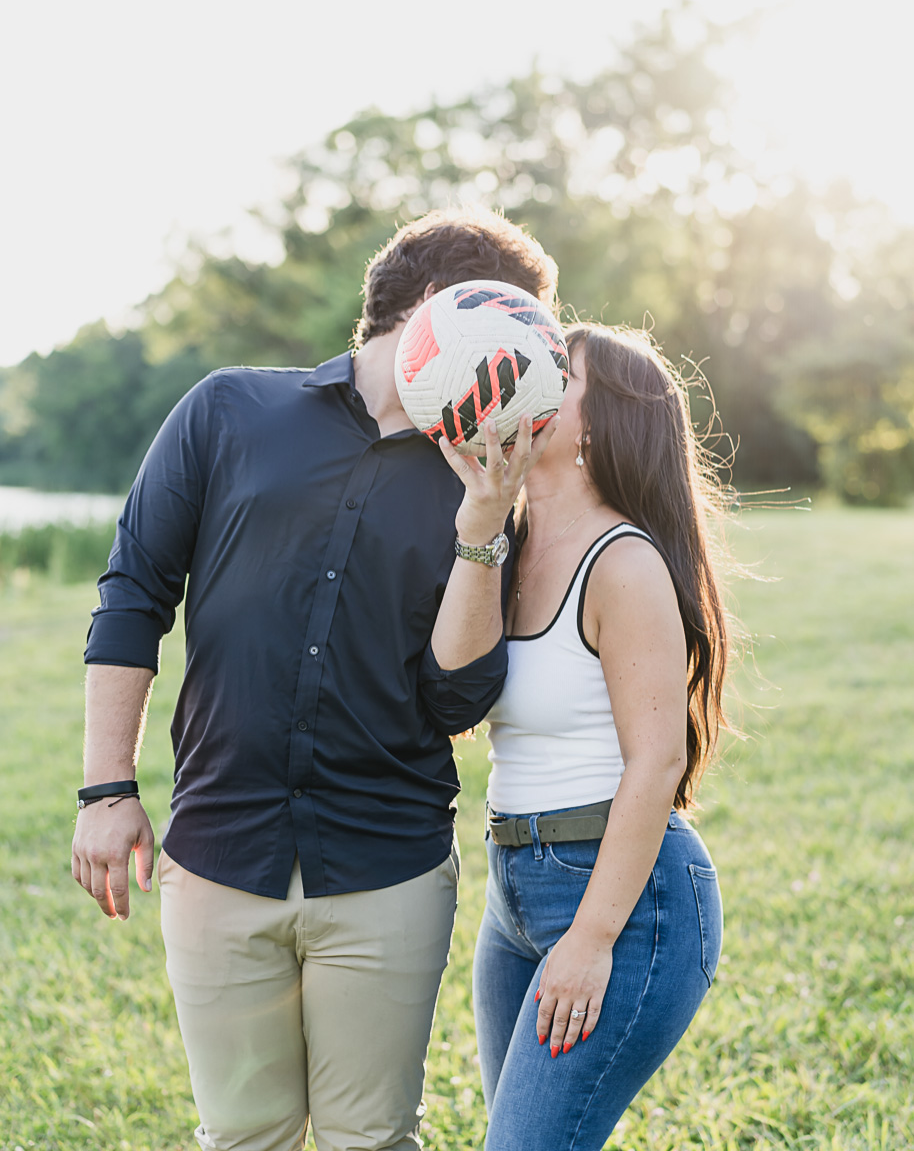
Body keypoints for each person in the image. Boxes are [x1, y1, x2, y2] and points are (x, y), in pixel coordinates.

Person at [71, 208, 559, 1151]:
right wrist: (106, 789)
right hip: (220, 853)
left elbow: (459, 700)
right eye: (517, 326)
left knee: (370, 1140)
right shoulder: (227, 410)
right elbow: (132, 596)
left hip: (389, 867)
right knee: (243, 1136)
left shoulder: (493, 477)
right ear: (438, 310)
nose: (530, 362)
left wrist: (484, 522)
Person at [472, 322, 730, 1151]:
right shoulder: (507, 545)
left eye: (560, 373)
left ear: (602, 421)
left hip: (624, 901)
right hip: (511, 891)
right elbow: (450, 693)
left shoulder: (623, 561)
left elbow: (658, 761)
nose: (532, 383)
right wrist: (480, 509)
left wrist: (590, 939)